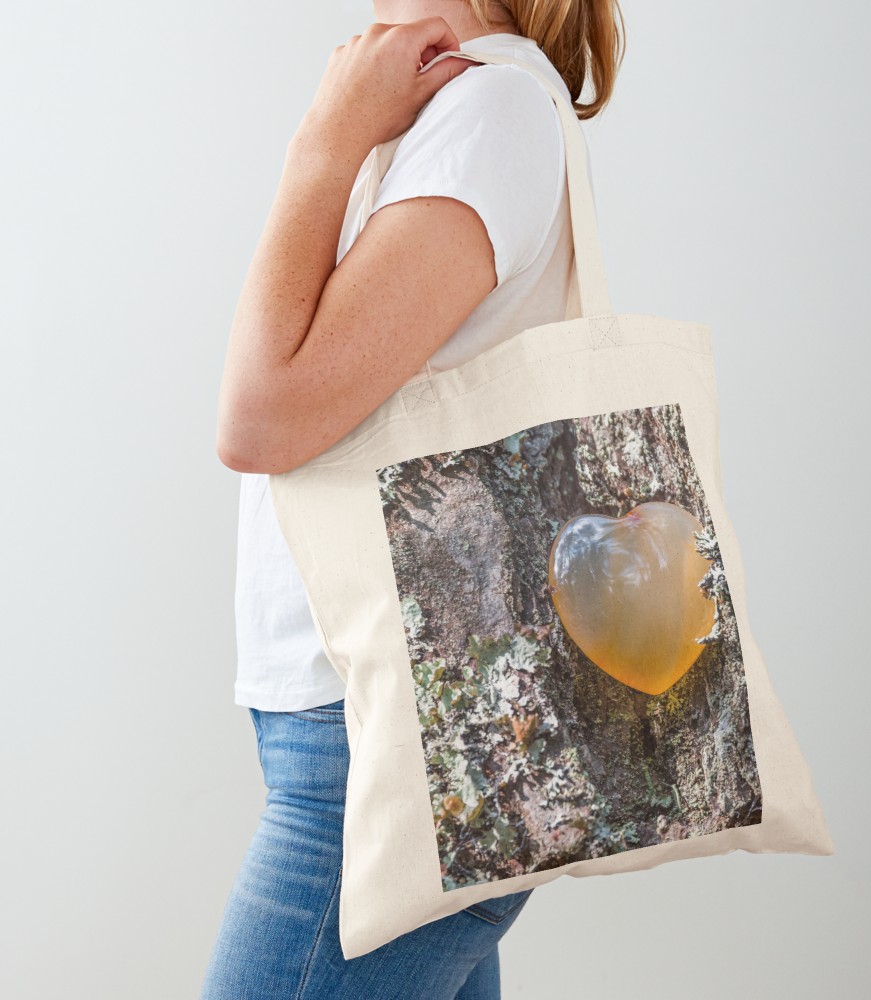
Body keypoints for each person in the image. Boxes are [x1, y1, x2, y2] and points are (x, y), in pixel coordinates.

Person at [202, 1, 623, 997]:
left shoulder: (491, 111)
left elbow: (260, 416)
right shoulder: (444, 111)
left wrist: (324, 143)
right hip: (371, 733)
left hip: (391, 757)